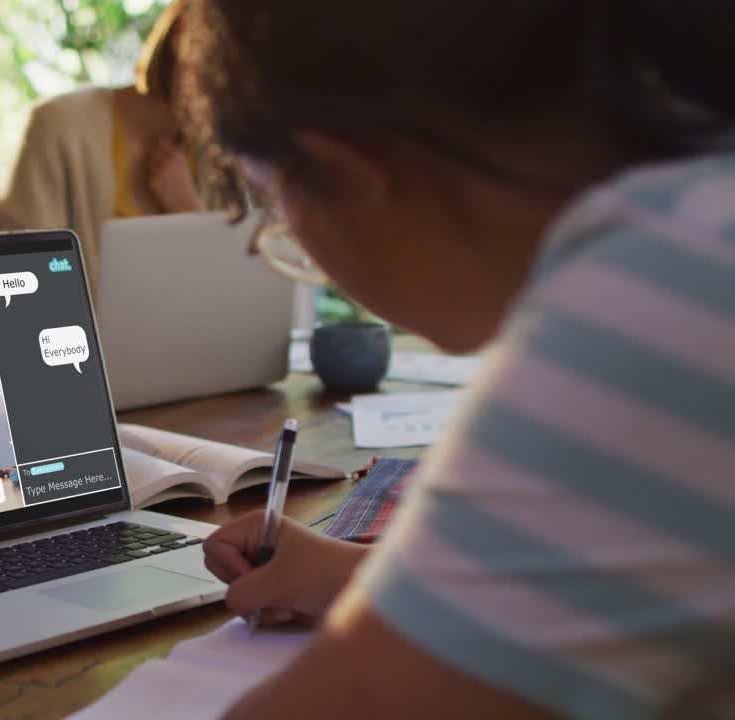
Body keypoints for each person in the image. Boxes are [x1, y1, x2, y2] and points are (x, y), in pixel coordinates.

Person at [180, 1, 735, 718]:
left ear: (349, 170)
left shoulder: (658, 296)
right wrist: (376, 583)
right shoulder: (701, 223)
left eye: (278, 212)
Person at [0, 0, 216, 291]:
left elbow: (229, 284)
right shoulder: (60, 124)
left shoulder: (221, 155)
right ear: (183, 40)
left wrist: (189, 210)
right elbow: (11, 251)